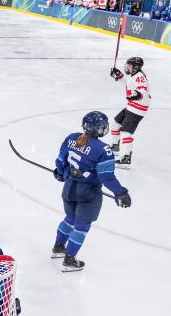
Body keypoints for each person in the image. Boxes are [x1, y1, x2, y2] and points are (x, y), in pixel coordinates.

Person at [51, 111, 132, 272]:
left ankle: (59, 247)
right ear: (100, 129)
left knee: (70, 219)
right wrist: (120, 192)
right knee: (81, 225)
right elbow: (106, 177)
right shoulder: (103, 150)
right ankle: (69, 259)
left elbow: (60, 161)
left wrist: (61, 173)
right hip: (88, 193)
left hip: (69, 189)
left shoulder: (72, 138)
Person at [109, 57, 151, 167]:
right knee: (115, 125)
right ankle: (115, 147)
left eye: (130, 65)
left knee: (126, 132)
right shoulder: (133, 75)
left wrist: (138, 95)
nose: (127, 67)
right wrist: (119, 76)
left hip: (138, 108)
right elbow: (129, 83)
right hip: (131, 106)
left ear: (136, 67)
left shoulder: (140, 76)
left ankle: (126, 158)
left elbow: (143, 90)